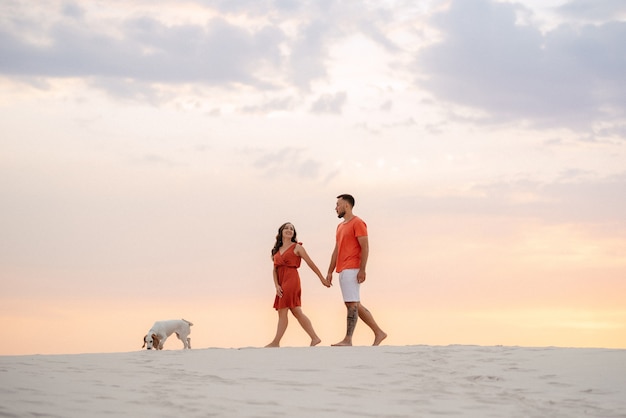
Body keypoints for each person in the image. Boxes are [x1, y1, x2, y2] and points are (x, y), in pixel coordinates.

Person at [326, 194, 387, 346]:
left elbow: (365, 246)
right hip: (343, 269)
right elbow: (337, 249)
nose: (336, 208)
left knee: (352, 304)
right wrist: (329, 271)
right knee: (353, 304)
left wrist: (362, 269)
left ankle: (348, 339)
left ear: (346, 206)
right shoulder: (340, 226)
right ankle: (379, 332)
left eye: (338, 205)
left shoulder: (358, 223)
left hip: (353, 268)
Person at [266, 222, 331, 347]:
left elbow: (310, 263)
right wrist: (276, 285)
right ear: (281, 232)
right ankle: (315, 338)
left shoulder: (297, 247)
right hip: (281, 281)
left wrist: (322, 278)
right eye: (287, 228)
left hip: (292, 280)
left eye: (292, 229)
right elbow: (274, 270)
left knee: (282, 311)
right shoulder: (276, 250)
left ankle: (275, 342)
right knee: (296, 312)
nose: (289, 230)